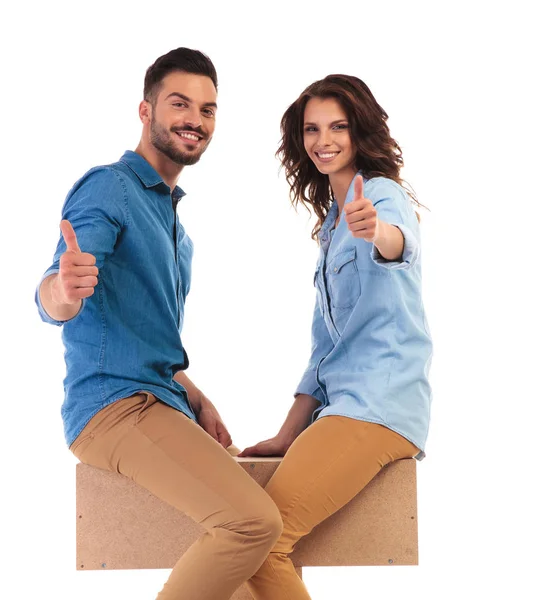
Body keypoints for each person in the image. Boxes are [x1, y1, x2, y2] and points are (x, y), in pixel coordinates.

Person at [35, 48, 282, 600]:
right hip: (114, 407)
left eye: (208, 109)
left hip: (160, 402)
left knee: (247, 579)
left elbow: (143, 334)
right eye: (179, 103)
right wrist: (63, 290)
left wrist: (194, 396)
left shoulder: (175, 225)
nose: (195, 119)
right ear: (145, 112)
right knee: (252, 524)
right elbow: (59, 291)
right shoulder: (110, 188)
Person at [238, 74, 433, 599]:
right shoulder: (330, 226)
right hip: (341, 407)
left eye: (338, 127)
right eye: (312, 129)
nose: (324, 140)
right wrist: (286, 435)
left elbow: (398, 245)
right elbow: (325, 349)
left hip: (379, 404)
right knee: (254, 543)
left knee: (256, 544)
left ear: (360, 131)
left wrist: (378, 233)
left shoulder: (381, 198)